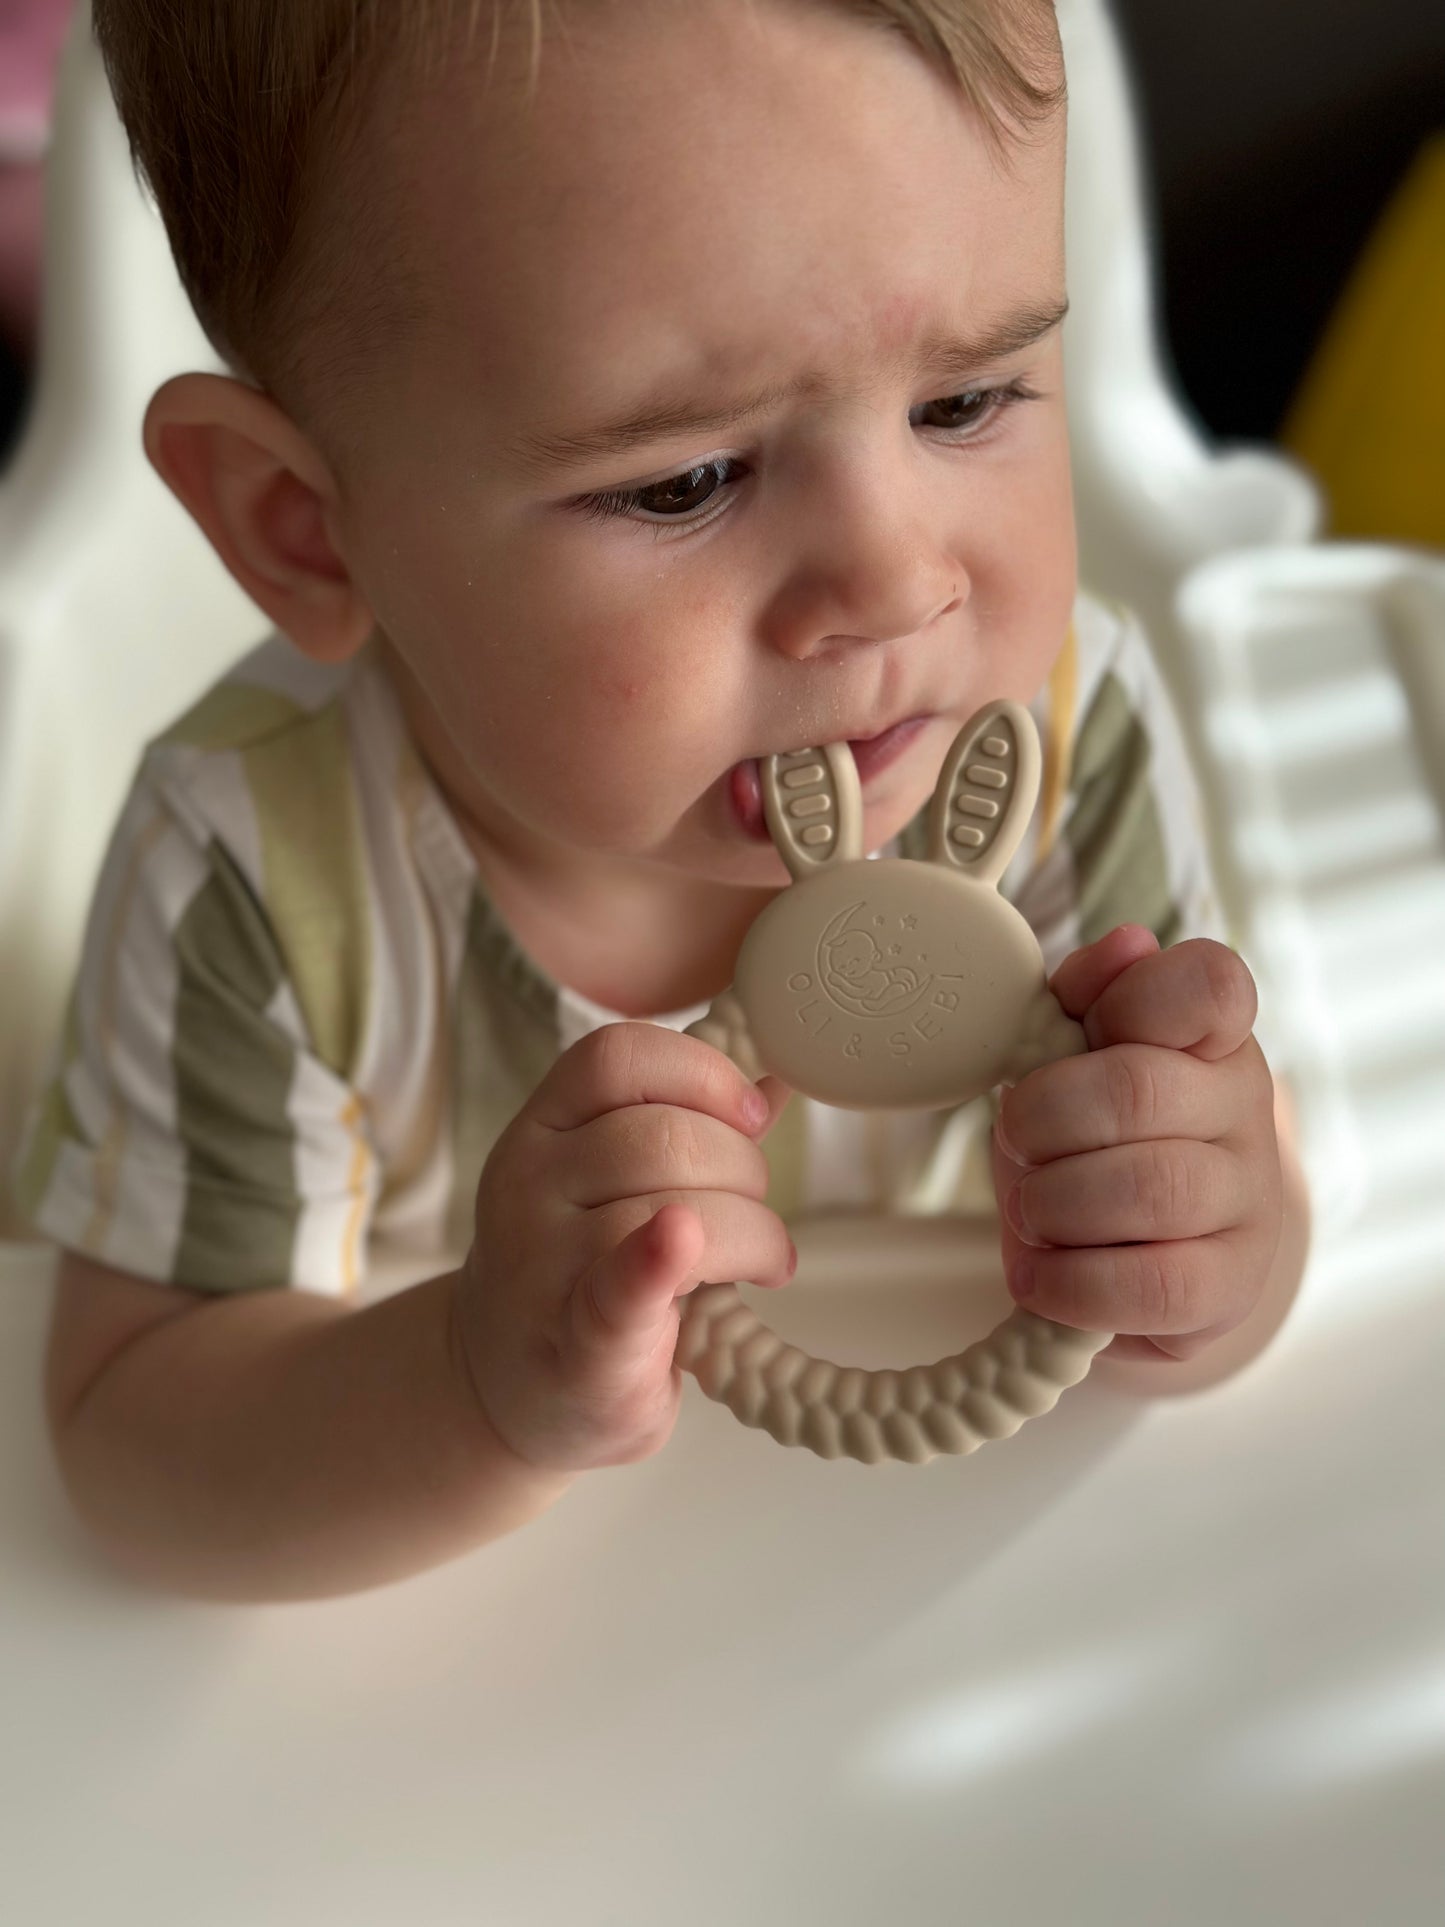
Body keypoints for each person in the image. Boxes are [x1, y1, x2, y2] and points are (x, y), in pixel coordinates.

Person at [10, 0, 1310, 1601]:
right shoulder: (255, 868)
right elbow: (126, 1438)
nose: (897, 588)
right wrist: (469, 1389)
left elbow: (1220, 1236)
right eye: (683, 481)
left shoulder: (1048, 735)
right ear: (307, 531)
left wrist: (1206, 1249)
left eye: (963, 401)